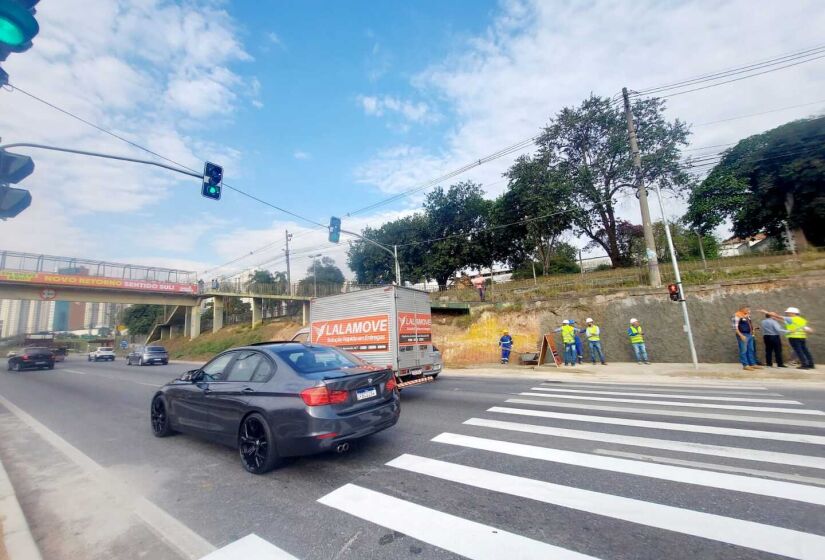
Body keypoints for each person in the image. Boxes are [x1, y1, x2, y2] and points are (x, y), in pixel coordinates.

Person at [733, 306, 761, 371]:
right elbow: (735, 328)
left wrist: (753, 329)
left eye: (749, 309)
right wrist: (741, 335)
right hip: (743, 335)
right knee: (743, 350)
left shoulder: (747, 316)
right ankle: (745, 365)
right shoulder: (737, 316)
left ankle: (752, 364)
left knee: (751, 350)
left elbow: (748, 325)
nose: (749, 310)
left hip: (750, 334)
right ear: (742, 309)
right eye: (747, 309)